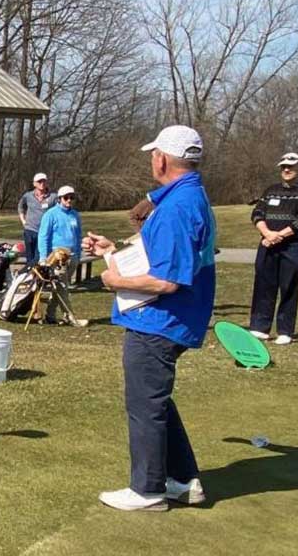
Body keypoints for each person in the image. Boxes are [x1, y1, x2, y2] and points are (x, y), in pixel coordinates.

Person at [84, 125, 215, 512]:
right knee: (156, 400)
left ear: (161, 159)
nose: (150, 160)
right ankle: (183, 479)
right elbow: (161, 256)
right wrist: (113, 252)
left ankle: (147, 489)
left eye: (152, 154)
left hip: (160, 320)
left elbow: (168, 279)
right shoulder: (188, 196)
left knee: (145, 404)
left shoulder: (178, 206)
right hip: (167, 319)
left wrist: (115, 279)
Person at [248, 152, 298, 346]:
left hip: (293, 246)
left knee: (289, 288)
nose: (286, 170)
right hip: (267, 245)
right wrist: (266, 233)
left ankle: (285, 330)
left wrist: (277, 236)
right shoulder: (271, 190)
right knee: (263, 285)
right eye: (283, 167)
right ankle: (259, 327)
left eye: (290, 166)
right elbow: (257, 213)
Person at [37, 185, 87, 327]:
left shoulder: (75, 215)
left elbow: (78, 235)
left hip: (73, 256)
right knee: (63, 287)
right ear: (59, 199)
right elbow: (43, 237)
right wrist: (43, 257)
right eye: (66, 198)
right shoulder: (50, 214)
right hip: (57, 257)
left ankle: (50, 315)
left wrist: (78, 254)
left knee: (59, 287)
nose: (69, 200)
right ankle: (70, 317)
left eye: (72, 197)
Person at [18, 173, 57, 265]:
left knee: (38, 258)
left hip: (44, 232)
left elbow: (58, 212)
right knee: (29, 257)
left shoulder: (53, 197)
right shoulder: (28, 196)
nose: (42, 183)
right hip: (30, 230)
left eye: (44, 181)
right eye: (39, 181)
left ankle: (35, 276)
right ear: (34, 183)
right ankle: (28, 276)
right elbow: (20, 207)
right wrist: (23, 221)